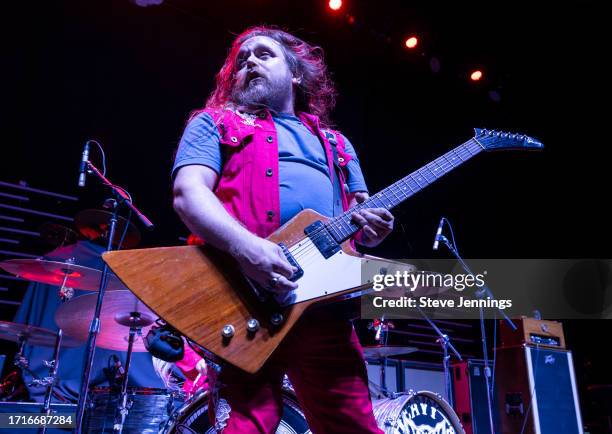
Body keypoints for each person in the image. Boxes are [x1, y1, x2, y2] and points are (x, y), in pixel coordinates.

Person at [172, 26, 394, 433]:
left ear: (295, 74)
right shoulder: (213, 124)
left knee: (354, 425)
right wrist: (248, 250)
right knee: (249, 423)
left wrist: (372, 230)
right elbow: (189, 194)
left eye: (263, 55)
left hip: (323, 310)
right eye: (241, 60)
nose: (249, 62)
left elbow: (360, 225)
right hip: (240, 298)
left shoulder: (339, 145)